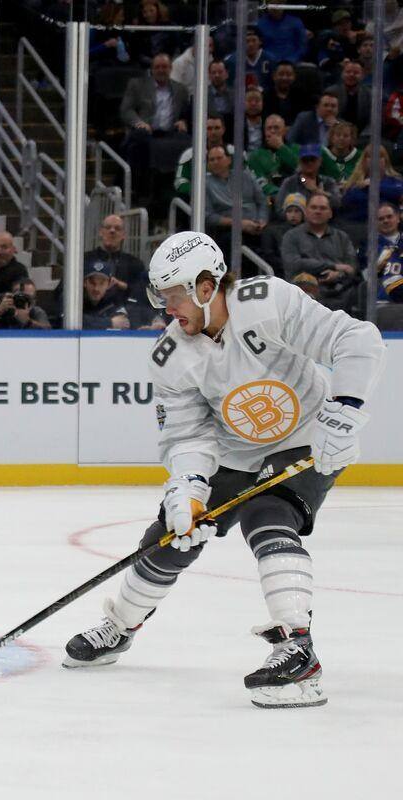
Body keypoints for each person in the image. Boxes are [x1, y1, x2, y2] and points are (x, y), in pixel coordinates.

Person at [63, 230, 384, 709]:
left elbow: (356, 339)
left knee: (268, 514)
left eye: (175, 296)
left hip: (307, 438)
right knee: (168, 537)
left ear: (206, 286)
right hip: (234, 452)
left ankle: (298, 650)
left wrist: (344, 412)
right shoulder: (171, 357)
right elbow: (187, 437)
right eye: (161, 297)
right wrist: (188, 492)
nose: (167, 309)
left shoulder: (267, 301)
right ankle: (120, 626)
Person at [120, 53, 190, 202]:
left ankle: (179, 191)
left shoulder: (181, 90)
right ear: (151, 70)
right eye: (157, 67)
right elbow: (126, 110)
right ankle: (140, 191)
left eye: (164, 67)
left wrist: (183, 121)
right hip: (145, 132)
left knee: (187, 141)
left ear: (170, 68)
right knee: (140, 140)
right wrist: (139, 123)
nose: (161, 70)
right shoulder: (137, 85)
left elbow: (186, 112)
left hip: (170, 133)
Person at [279, 194, 362, 313]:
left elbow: (351, 267)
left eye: (323, 208)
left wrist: (338, 274)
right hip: (303, 292)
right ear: (306, 211)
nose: (318, 211)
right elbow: (294, 264)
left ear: (330, 213)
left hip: (339, 292)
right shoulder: (291, 236)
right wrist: (334, 266)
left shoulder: (342, 237)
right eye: (313, 207)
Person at [203, 145, 269, 258]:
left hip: (256, 225)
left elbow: (262, 202)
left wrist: (261, 220)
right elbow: (208, 217)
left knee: (273, 235)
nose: (215, 162)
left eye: (219, 158)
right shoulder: (204, 184)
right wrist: (239, 223)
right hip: (228, 229)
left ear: (229, 160)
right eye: (211, 160)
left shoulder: (246, 176)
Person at [84, 214, 148, 302]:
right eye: (108, 227)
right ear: (101, 232)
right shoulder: (85, 260)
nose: (112, 231)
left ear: (123, 235)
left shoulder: (135, 264)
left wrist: (123, 286)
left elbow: (143, 293)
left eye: (117, 228)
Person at [275, 144, 341, 219]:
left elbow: (338, 204)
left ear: (319, 161)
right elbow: (279, 209)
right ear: (299, 162)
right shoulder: (290, 182)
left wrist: (317, 191)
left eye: (312, 159)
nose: (309, 163)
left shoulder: (328, 181)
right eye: (305, 160)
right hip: (296, 224)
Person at [175, 115, 231, 198]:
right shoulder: (189, 155)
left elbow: (245, 178)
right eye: (209, 128)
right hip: (199, 200)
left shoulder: (234, 153)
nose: (213, 132)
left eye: (217, 128)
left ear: (223, 129)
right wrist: (199, 191)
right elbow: (179, 182)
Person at [247, 114, 299, 198]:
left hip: (297, 194)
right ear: (265, 132)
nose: (272, 131)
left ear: (284, 130)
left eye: (276, 128)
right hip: (271, 197)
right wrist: (279, 194)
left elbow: (301, 170)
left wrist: (281, 148)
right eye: (269, 128)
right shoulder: (255, 156)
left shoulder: (296, 149)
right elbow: (260, 182)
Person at [82, 261, 132, 330]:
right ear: (84, 283)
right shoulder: (76, 302)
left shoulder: (116, 303)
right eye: (92, 283)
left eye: (101, 283)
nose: (96, 288)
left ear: (109, 284)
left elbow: (122, 324)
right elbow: (72, 321)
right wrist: (109, 322)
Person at [324, 60, 371, 133]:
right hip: (336, 132)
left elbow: (372, 120)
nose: (351, 75)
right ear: (342, 74)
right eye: (348, 72)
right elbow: (329, 116)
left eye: (356, 73)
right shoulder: (331, 92)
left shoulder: (369, 94)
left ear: (363, 75)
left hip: (363, 135)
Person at [262, 61, 310, 128]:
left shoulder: (302, 96)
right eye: (281, 74)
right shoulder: (265, 96)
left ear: (294, 77)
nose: (284, 78)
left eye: (288, 75)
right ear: (274, 76)